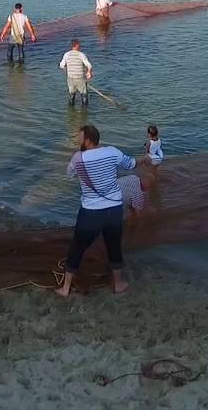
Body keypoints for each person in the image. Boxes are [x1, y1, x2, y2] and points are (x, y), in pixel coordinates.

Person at [56, 124, 134, 297]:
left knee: (77, 247)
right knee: (114, 247)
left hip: (91, 212)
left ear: (88, 140)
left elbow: (69, 175)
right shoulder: (113, 152)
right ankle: (119, 284)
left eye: (80, 138)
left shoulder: (78, 158)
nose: (78, 140)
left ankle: (65, 288)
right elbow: (130, 164)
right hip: (114, 210)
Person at [58, 39, 93, 107]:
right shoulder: (81, 54)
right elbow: (89, 65)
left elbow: (61, 65)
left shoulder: (67, 54)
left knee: (71, 94)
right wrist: (89, 72)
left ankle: (71, 111)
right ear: (77, 45)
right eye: (79, 45)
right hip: (80, 78)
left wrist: (67, 70)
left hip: (70, 78)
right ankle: (84, 112)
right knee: (84, 95)